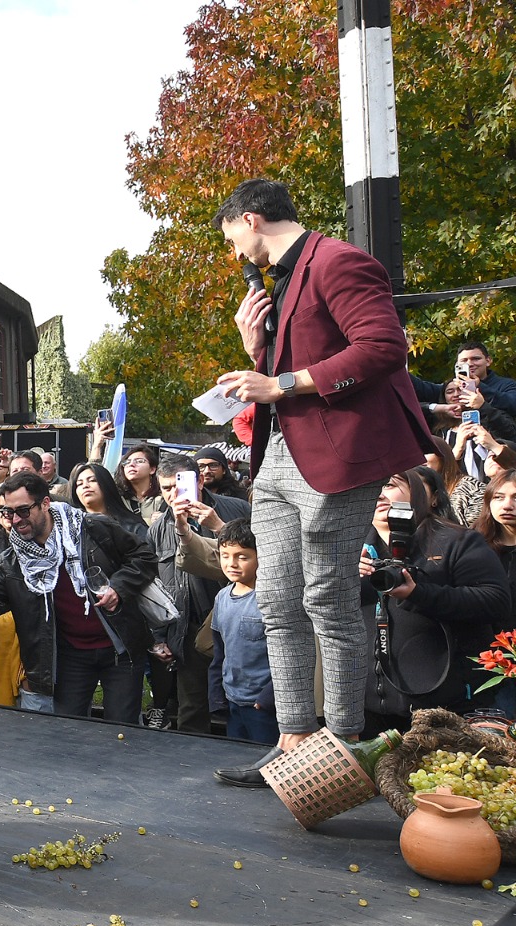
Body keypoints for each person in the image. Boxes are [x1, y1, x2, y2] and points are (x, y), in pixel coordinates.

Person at [212, 178, 435, 785]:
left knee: (328, 602)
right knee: (277, 601)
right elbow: (282, 375)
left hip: (338, 456)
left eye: (231, 238)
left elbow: (384, 347)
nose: (234, 253)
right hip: (278, 454)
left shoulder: (339, 261)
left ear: (250, 219)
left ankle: (341, 748)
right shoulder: (279, 281)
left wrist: (280, 382)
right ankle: (293, 742)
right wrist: (255, 350)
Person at [0, 471, 159, 723]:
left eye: (23, 510)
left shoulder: (91, 527)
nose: (16, 520)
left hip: (119, 648)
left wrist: (119, 588)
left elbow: (144, 557)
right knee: (67, 730)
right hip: (70, 655)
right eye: (8, 512)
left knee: (121, 729)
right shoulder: (13, 560)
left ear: (45, 503)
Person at [357, 469, 508, 725]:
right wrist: (342, 580)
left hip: (448, 708)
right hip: (367, 709)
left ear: (416, 491)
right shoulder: (349, 548)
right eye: (369, 487)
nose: (378, 494)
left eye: (388, 485)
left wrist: (419, 593)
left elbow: (496, 601)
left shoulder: (456, 541)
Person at [147, 453, 251, 732]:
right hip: (188, 627)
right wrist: (159, 637)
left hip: (238, 621)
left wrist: (219, 527)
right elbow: (153, 585)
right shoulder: (158, 529)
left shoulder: (237, 509)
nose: (173, 494)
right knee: (192, 709)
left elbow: (260, 557)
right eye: (166, 488)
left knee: (245, 705)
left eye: (179, 485)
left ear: (200, 481)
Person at [208, 520, 277, 747]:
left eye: (242, 557)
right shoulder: (222, 598)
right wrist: (216, 694)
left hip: (264, 705)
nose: (232, 564)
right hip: (232, 701)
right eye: (225, 556)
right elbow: (220, 652)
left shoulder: (270, 600)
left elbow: (288, 656)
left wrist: (267, 697)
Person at [475, 469, 516, 717]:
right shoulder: (472, 547)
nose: (507, 505)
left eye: (515, 498)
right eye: (499, 497)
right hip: (489, 660)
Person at [414, 340, 516, 420]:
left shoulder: (506, 385)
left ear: (488, 361)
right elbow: (419, 388)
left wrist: (478, 386)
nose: (470, 363)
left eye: (476, 359)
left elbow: (512, 405)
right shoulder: (450, 388)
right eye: (464, 360)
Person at [67, 461, 145, 535]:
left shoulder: (133, 527)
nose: (85, 486)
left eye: (92, 480)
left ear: (106, 484)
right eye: (79, 484)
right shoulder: (70, 529)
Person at [115, 445, 165, 524]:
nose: (131, 464)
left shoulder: (164, 497)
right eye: (127, 462)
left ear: (152, 469)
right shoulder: (118, 497)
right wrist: (97, 447)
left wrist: (166, 521)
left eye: (139, 461)